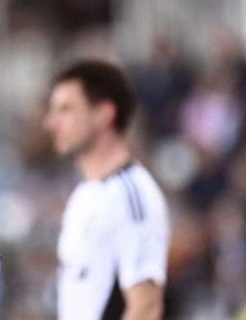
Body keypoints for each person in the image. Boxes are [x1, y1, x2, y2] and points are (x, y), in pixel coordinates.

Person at [43, 59, 170, 320]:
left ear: (103, 114)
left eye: (65, 109)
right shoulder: (83, 195)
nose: (51, 124)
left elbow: (145, 308)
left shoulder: (132, 194)